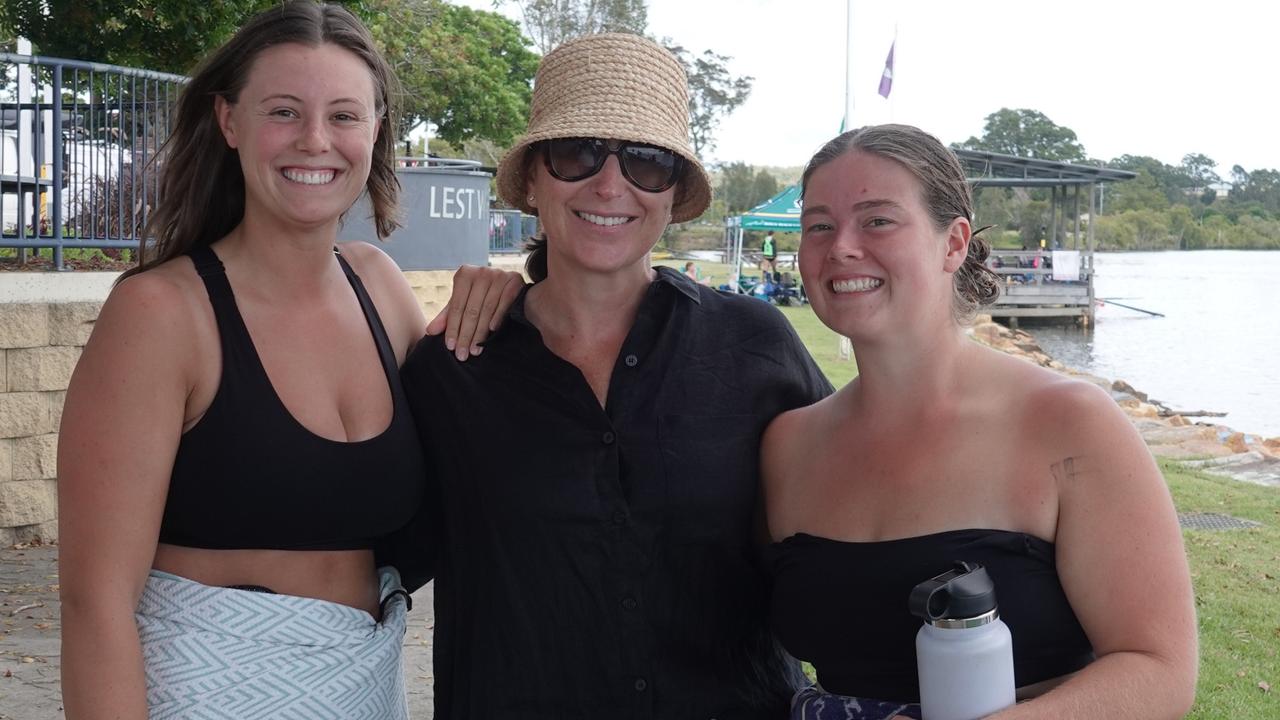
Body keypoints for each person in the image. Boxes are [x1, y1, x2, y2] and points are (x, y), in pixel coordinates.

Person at [57, 3, 519, 718]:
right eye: (283, 111)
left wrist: (510, 301)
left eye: (344, 115)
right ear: (229, 121)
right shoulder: (161, 315)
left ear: (375, 132)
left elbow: (484, 432)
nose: (314, 140)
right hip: (205, 691)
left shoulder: (379, 287)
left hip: (367, 690)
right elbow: (95, 606)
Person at [391, 33, 832, 719]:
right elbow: (364, 544)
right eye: (577, 154)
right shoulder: (453, 368)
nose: (609, 184)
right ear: (533, 180)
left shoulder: (755, 346)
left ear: (675, 192)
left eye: (647, 164)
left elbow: (859, 520)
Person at [762, 125, 1198, 719]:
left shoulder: (1069, 424)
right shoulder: (790, 446)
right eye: (819, 225)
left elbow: (1158, 670)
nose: (841, 246)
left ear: (954, 242)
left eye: (878, 220)